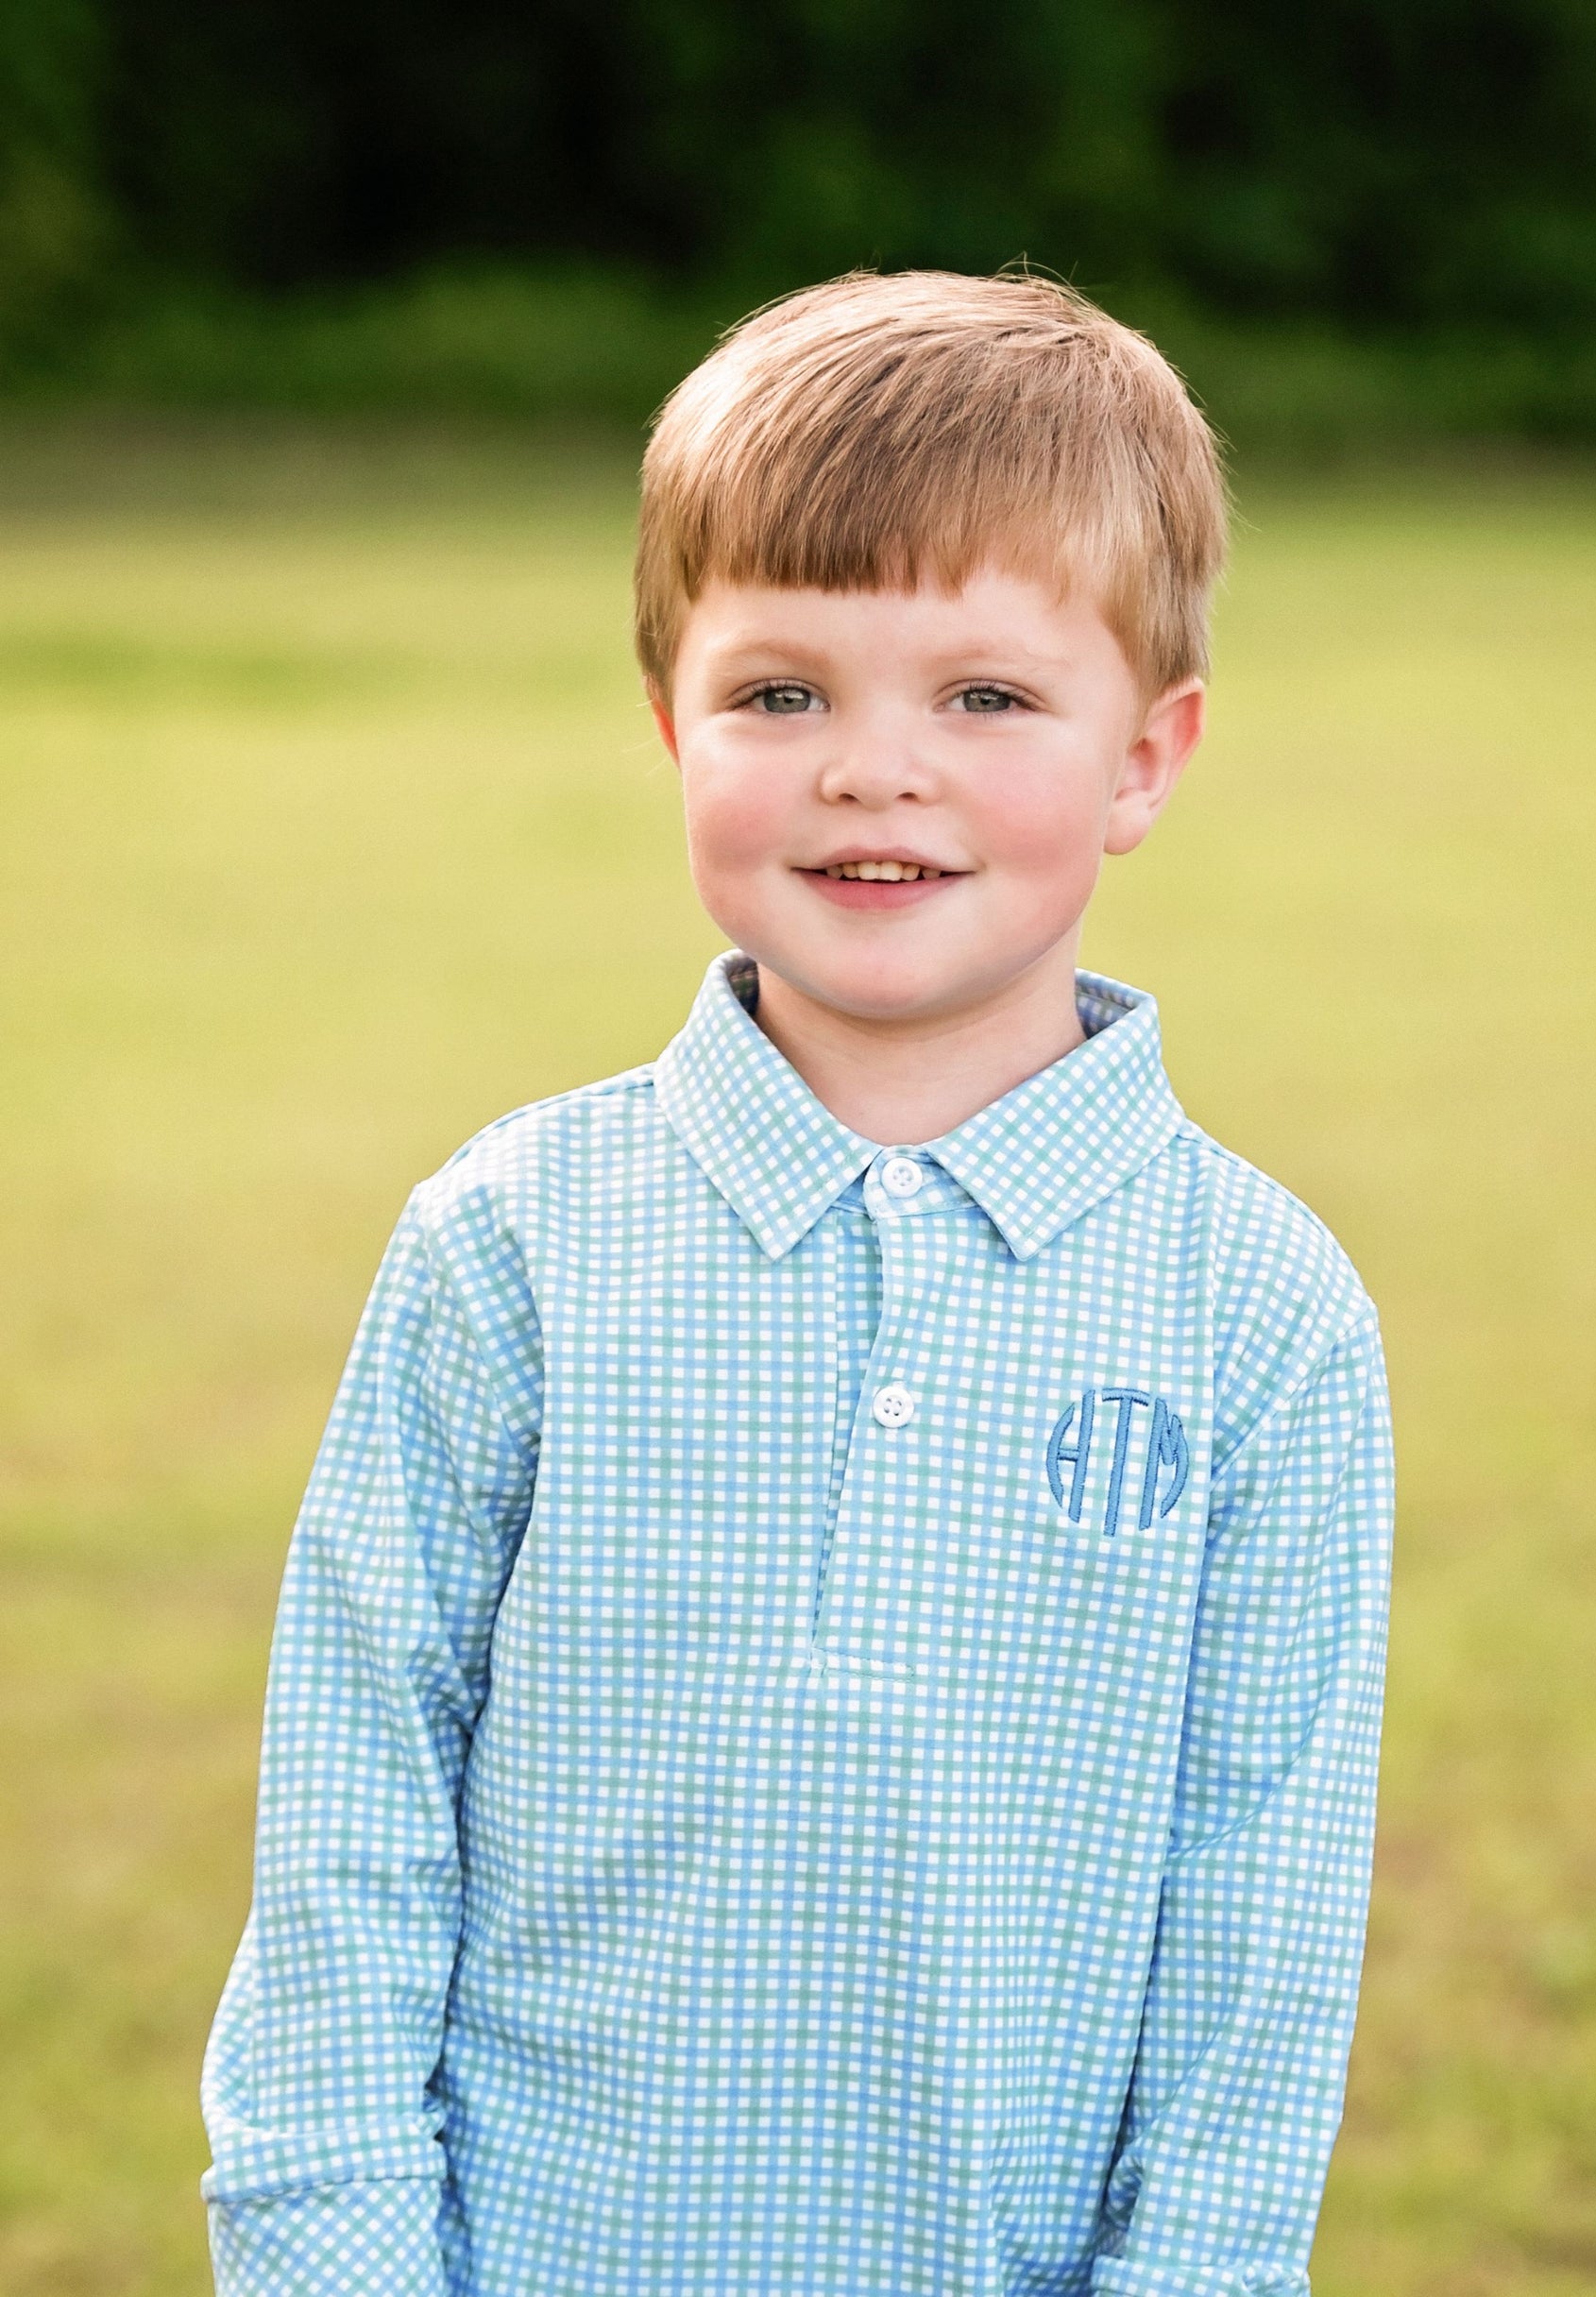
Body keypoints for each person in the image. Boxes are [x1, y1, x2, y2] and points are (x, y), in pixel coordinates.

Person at [199, 268, 1394, 2297]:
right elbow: (350, 1826)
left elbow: (1256, 1944)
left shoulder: (1263, 1315)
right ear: (670, 723)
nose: (871, 768)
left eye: (984, 697)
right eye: (780, 694)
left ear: (1144, 757)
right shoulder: (512, 1240)